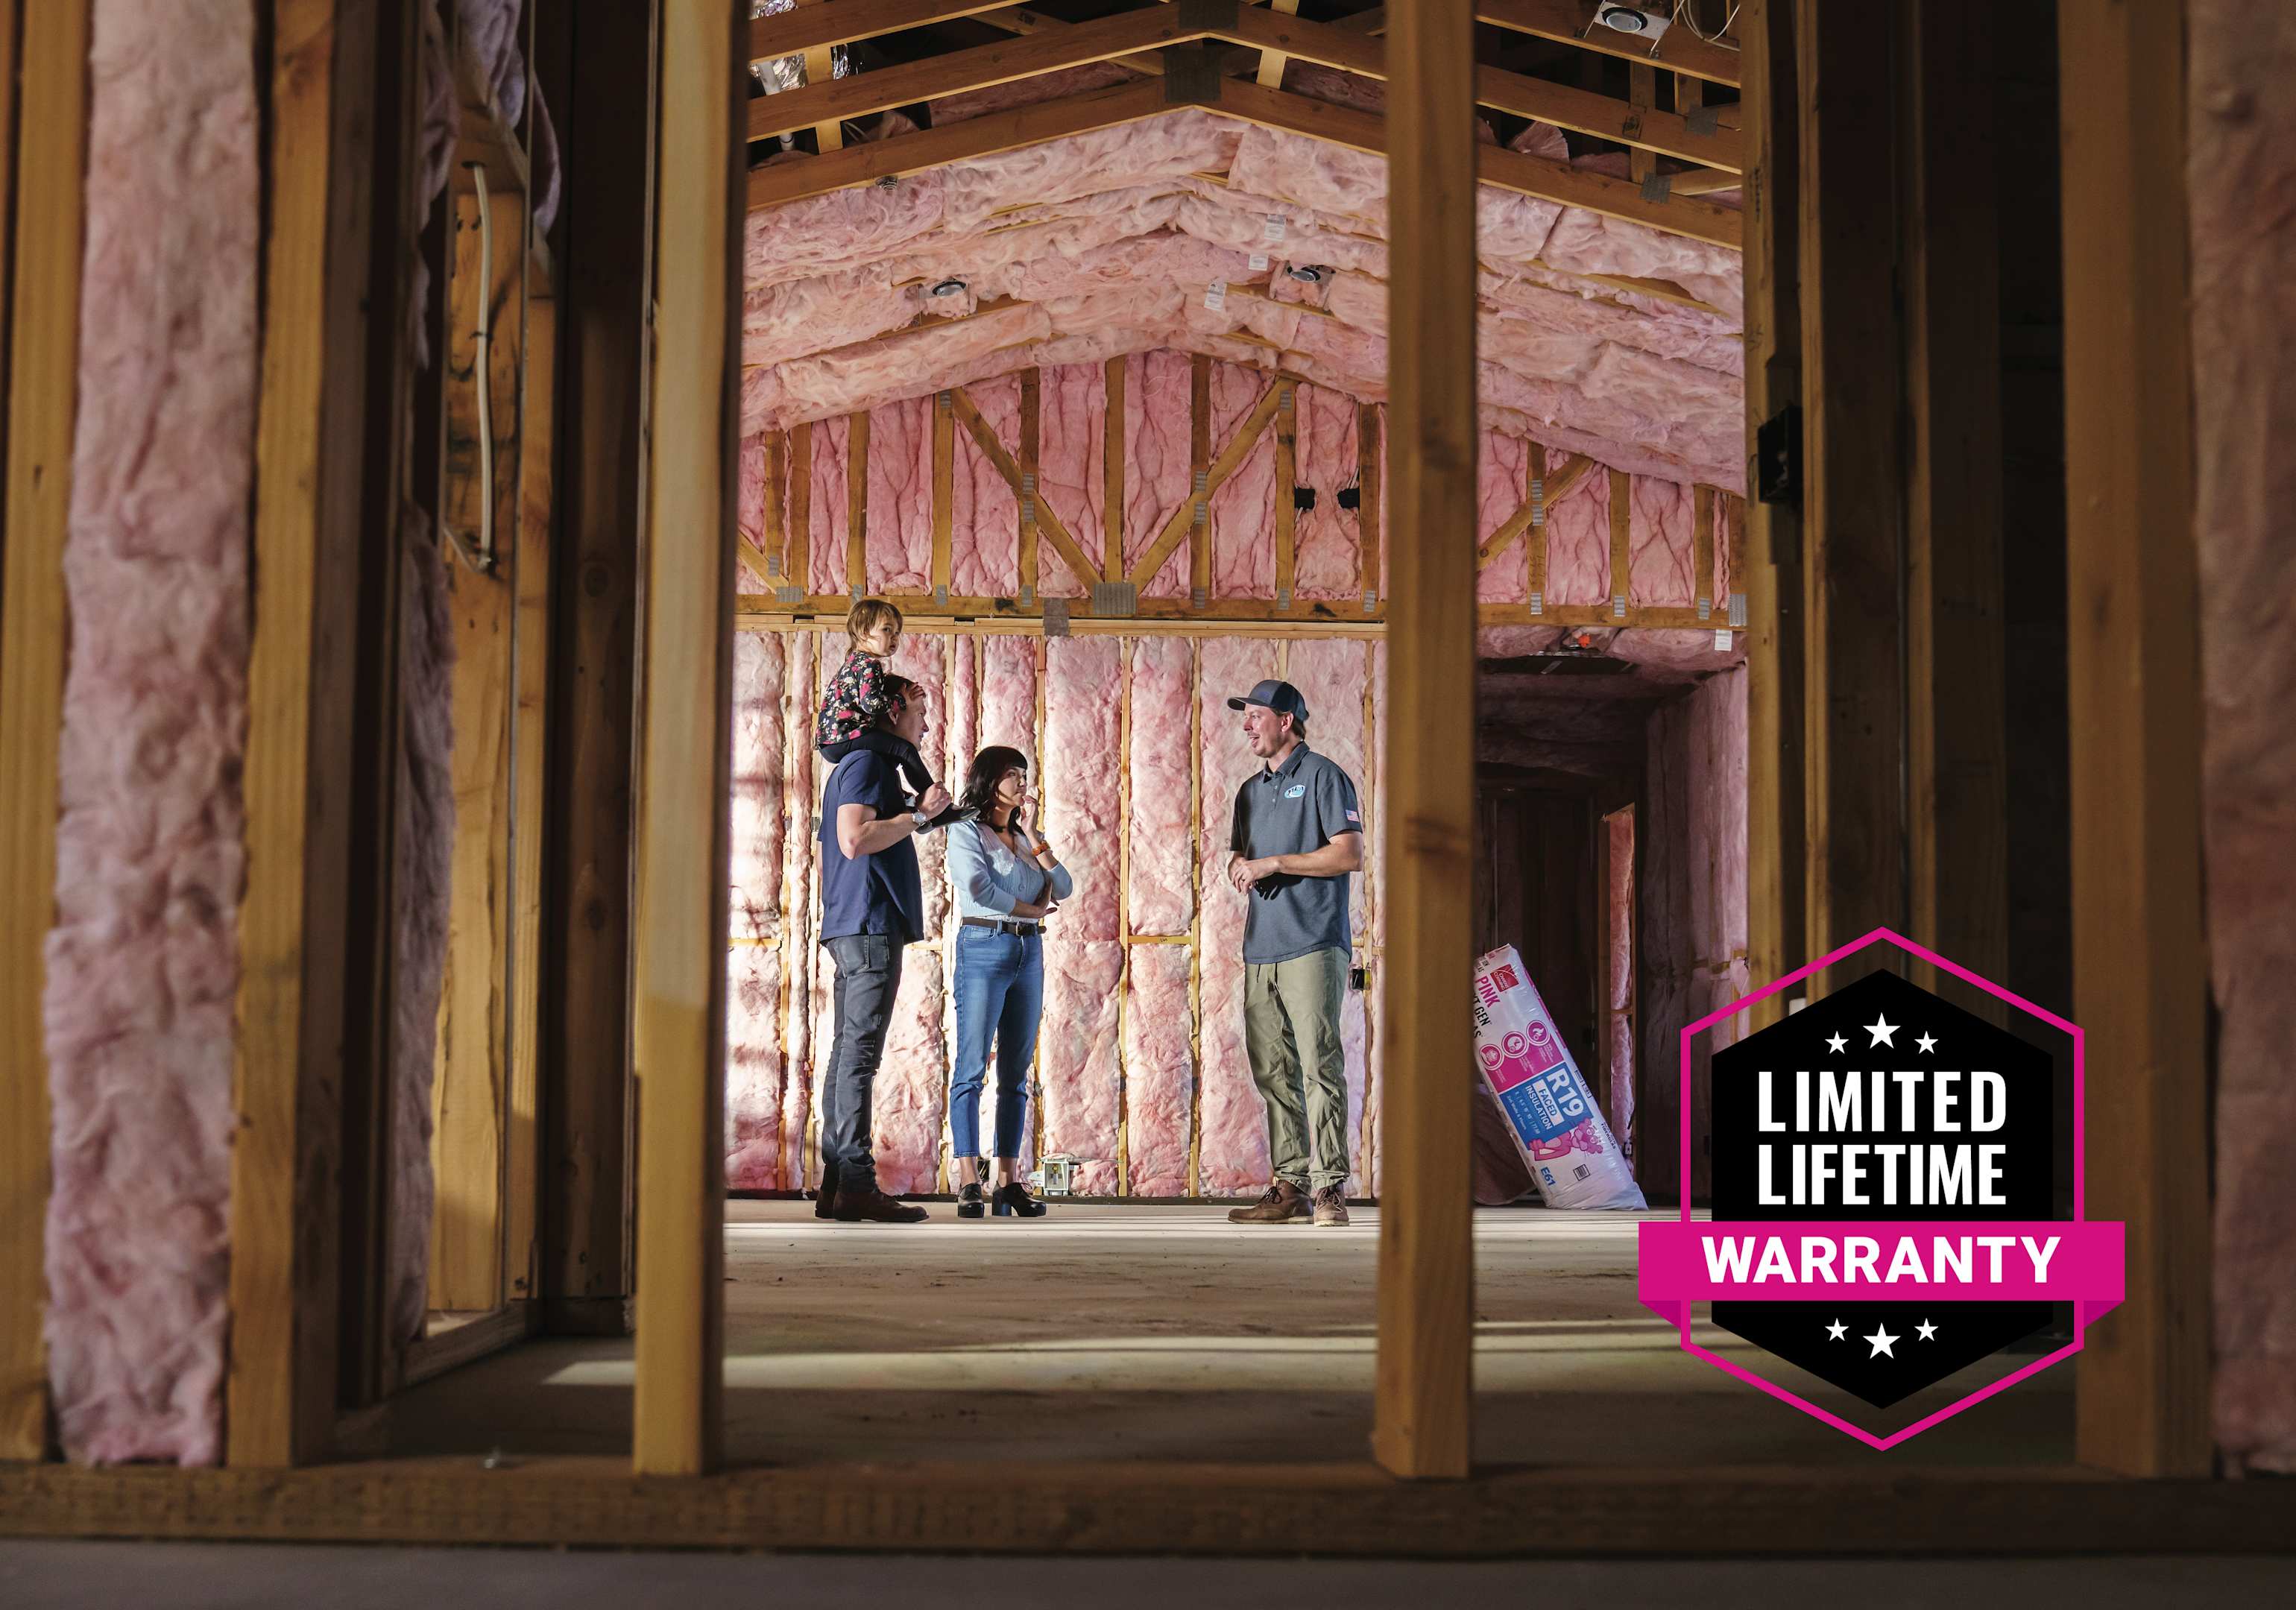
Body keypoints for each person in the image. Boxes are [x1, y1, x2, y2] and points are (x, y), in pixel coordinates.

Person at [1221, 679, 1365, 1229]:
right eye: (1246, 717)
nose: (1246, 726)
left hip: (1314, 943)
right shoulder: (1250, 791)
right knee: (1274, 1072)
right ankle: (1290, 1188)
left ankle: (1330, 1190)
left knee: (1319, 1067)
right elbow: (1241, 853)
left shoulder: (1325, 776)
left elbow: (1349, 854)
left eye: (1255, 715)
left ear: (1287, 720)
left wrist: (1275, 863)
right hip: (1262, 948)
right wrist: (1241, 864)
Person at [816, 672, 951, 1223]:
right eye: (919, 711)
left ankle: (836, 1185)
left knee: (847, 1054)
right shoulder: (869, 763)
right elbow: (854, 839)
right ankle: (856, 1184)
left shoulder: (861, 764)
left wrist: (920, 816)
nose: (925, 723)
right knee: (859, 1058)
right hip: (869, 923)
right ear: (892, 710)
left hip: (854, 923)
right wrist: (919, 816)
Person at [943, 746, 1073, 1220]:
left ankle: (1008, 1182)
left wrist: (1036, 836)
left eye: (1024, 774)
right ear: (988, 781)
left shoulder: (1022, 837)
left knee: (1016, 1072)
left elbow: (1065, 886)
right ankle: (967, 1181)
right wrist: (1030, 909)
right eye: (1012, 775)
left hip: (1028, 951)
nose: (1022, 783)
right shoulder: (964, 829)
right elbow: (977, 888)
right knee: (972, 1065)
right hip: (983, 945)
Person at [816, 596, 942, 803]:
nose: (894, 638)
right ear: (864, 632)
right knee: (904, 749)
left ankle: (906, 799)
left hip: (833, 741)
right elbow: (871, 704)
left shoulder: (854, 662)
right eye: (887, 630)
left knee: (892, 754)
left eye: (897, 633)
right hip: (844, 737)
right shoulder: (869, 664)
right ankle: (935, 802)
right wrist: (901, 700)